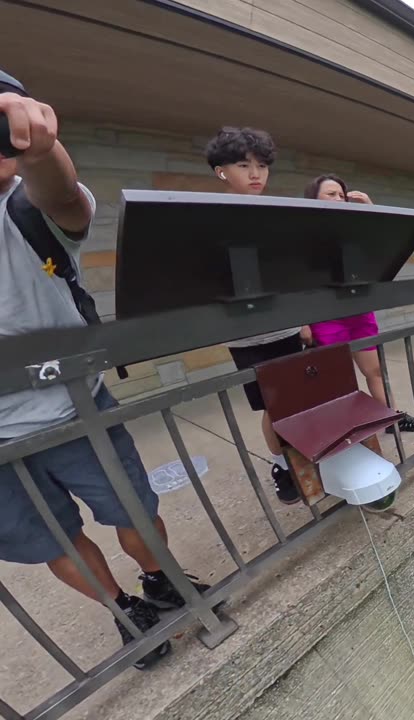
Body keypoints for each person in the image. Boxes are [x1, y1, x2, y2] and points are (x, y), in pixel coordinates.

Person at [0, 69, 210, 669]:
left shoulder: (23, 210)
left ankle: (161, 581)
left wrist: (38, 145)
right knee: (50, 539)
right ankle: (124, 610)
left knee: (134, 509)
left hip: (73, 403)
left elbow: (60, 192)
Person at [205, 127, 307, 505]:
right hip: (247, 334)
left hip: (285, 326)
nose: (255, 174)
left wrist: (305, 320)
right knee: (274, 406)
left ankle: (302, 457)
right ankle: (283, 464)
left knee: (297, 398)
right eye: (243, 165)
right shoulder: (209, 216)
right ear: (221, 171)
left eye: (262, 166)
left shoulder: (276, 214)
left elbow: (293, 272)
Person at [303, 174, 414, 434]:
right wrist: (301, 322)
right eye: (331, 194)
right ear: (314, 198)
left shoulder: (354, 230)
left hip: (358, 309)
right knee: (338, 377)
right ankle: (349, 428)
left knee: (374, 369)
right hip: (325, 314)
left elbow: (384, 245)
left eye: (341, 195)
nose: (339, 199)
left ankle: (391, 418)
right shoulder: (306, 233)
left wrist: (369, 209)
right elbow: (296, 279)